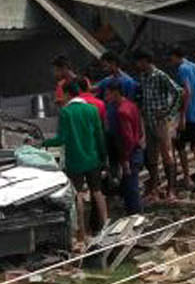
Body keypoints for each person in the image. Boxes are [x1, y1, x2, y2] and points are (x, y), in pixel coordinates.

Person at [42, 80, 110, 250]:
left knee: (77, 195)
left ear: (67, 94)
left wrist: (43, 142)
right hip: (93, 158)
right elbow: (99, 135)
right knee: (97, 192)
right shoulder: (92, 109)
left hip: (75, 160)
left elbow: (62, 139)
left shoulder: (66, 112)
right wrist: (103, 156)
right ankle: (106, 227)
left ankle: (82, 231)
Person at [134, 50, 184, 202]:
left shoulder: (160, 76)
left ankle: (171, 190)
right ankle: (155, 188)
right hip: (148, 121)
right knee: (152, 157)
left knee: (167, 155)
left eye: (139, 62)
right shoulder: (143, 77)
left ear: (146, 61)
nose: (137, 65)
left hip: (161, 122)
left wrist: (169, 112)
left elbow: (178, 92)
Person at [168, 46, 195, 191]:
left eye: (171, 58)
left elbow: (187, 92)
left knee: (180, 146)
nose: (171, 61)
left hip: (189, 114)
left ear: (176, 56)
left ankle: (187, 179)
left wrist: (182, 116)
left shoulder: (182, 69)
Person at [103, 83, 144, 216]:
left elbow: (128, 138)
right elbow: (140, 131)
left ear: (116, 93)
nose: (106, 97)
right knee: (130, 185)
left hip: (130, 153)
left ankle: (134, 217)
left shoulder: (121, 111)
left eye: (108, 93)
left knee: (131, 188)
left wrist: (125, 159)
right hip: (136, 150)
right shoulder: (131, 106)